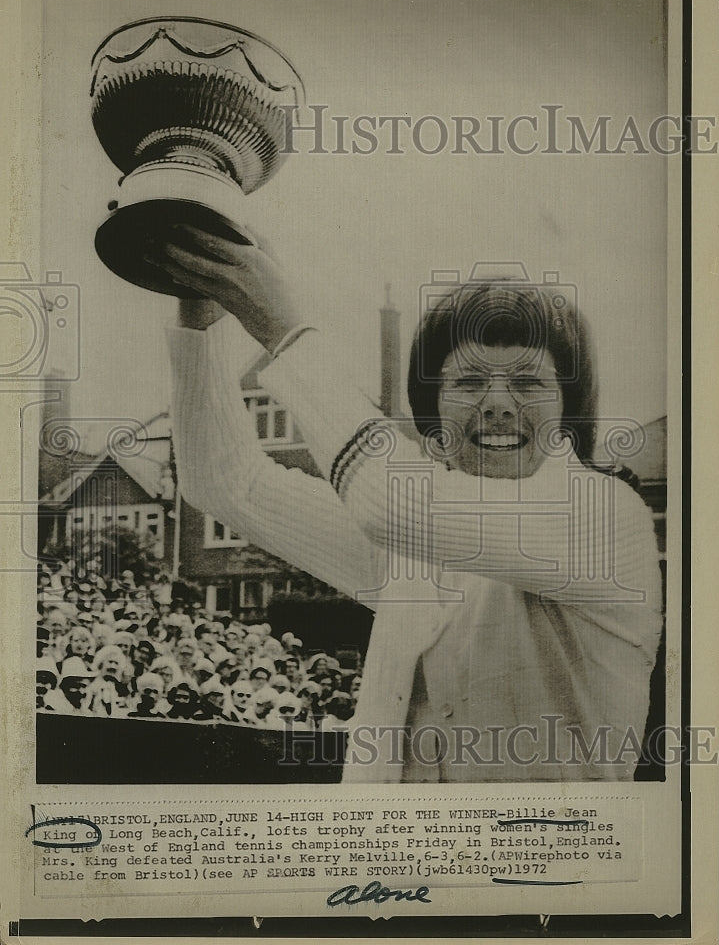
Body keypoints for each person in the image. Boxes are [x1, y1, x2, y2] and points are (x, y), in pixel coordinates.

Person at [158, 225, 662, 782]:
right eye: (468, 383)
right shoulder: (414, 549)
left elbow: (387, 504)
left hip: (544, 866)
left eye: (528, 381)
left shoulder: (604, 516)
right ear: (434, 408)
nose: (497, 404)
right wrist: (201, 301)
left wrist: (286, 329)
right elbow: (226, 483)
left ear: (570, 407)